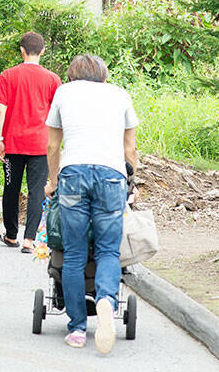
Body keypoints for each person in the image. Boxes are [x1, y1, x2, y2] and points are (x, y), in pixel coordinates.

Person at [45, 54, 139, 353]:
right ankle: (106, 303)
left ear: (72, 74)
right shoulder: (119, 94)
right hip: (111, 176)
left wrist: (52, 181)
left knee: (73, 253)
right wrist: (131, 184)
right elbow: (130, 148)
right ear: (104, 75)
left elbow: (52, 145)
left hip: (73, 173)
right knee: (108, 250)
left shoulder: (64, 92)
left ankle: (76, 329)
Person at [0, 32, 61, 251]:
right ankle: (30, 239)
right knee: (37, 190)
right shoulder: (52, 79)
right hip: (40, 144)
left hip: (13, 143)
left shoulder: (8, 75)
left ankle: (11, 235)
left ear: (22, 50)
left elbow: (0, 109)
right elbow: (58, 114)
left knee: (11, 187)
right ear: (42, 51)